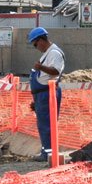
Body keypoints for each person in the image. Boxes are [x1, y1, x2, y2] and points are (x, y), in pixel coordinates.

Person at [28, 26, 65, 162]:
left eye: (36, 44)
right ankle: (46, 151)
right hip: (42, 95)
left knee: (47, 125)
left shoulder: (54, 53)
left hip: (48, 93)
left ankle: (49, 154)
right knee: (43, 124)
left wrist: (40, 67)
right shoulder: (48, 53)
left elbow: (55, 71)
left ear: (42, 40)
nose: (36, 47)